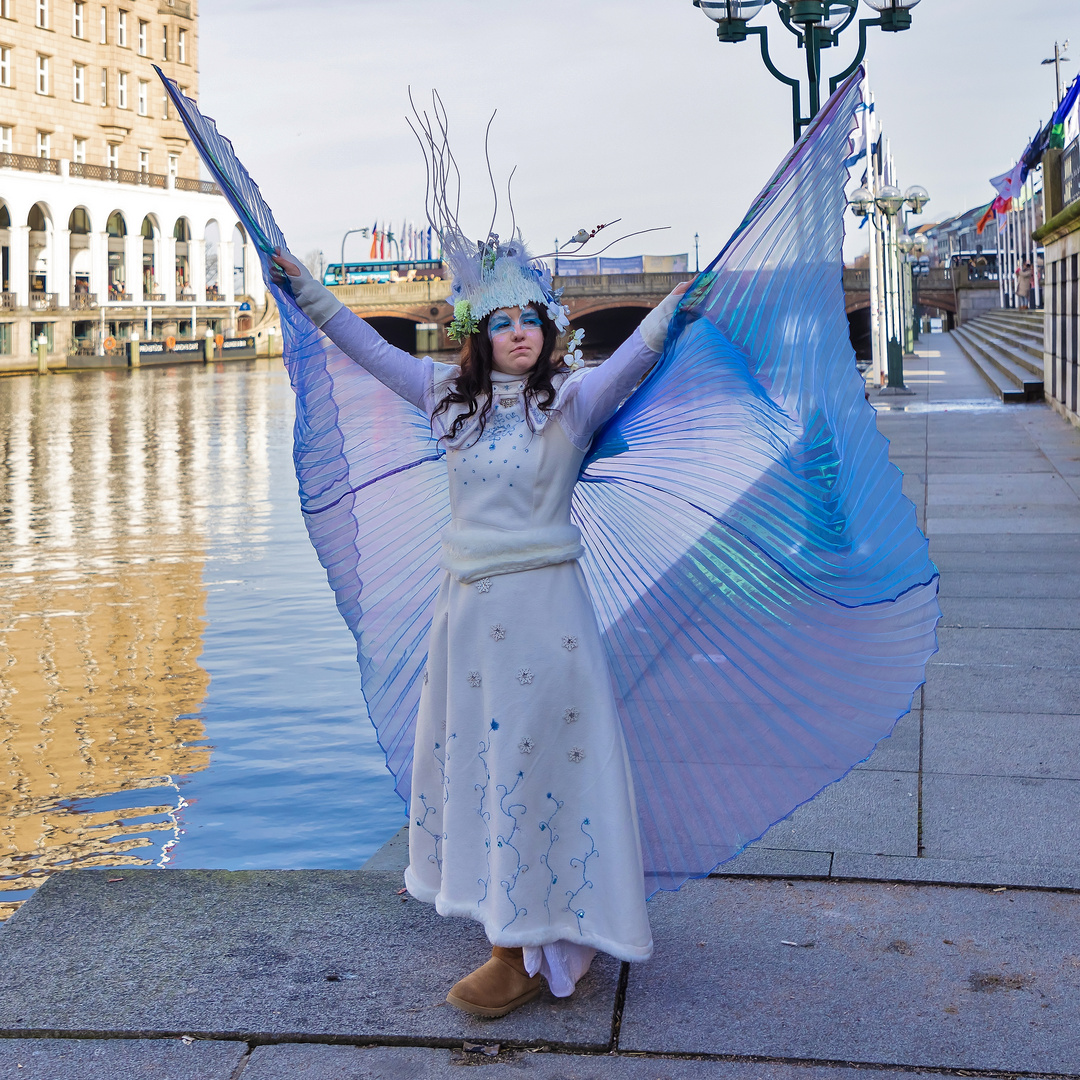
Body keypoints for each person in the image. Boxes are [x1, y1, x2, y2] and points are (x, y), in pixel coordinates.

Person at [270, 242, 689, 1017]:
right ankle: (513, 935)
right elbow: (362, 345)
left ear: (551, 330)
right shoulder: (445, 399)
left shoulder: (572, 403)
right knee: (489, 766)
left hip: (548, 621)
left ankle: (533, 940)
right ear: (480, 334)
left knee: (546, 771)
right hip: (469, 624)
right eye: (504, 321)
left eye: (533, 319)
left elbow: (638, 354)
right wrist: (307, 290)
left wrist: (679, 305)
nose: (521, 332)